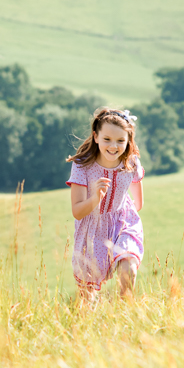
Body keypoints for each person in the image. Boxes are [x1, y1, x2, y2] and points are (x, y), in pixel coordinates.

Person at [67, 107, 144, 302]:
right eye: (107, 139)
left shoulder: (131, 163)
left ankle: (125, 317)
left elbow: (138, 202)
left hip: (123, 222)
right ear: (95, 137)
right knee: (87, 297)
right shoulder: (82, 165)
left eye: (120, 141)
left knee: (129, 268)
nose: (113, 146)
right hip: (92, 230)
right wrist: (96, 198)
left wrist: (126, 217)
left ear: (128, 141)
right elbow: (77, 212)